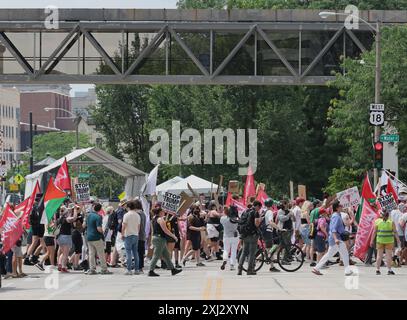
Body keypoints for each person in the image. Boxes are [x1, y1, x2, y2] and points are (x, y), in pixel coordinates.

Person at [312, 200, 353, 276]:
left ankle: (316, 268)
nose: (342, 207)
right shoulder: (336, 216)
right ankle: (347, 270)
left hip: (337, 239)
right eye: (340, 206)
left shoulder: (337, 215)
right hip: (337, 239)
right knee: (342, 254)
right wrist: (335, 239)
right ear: (337, 208)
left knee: (338, 254)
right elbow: (333, 229)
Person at [148, 207, 183, 277]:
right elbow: (165, 230)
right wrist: (174, 236)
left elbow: (153, 230)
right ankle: (150, 270)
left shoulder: (154, 219)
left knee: (166, 255)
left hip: (156, 237)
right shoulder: (160, 219)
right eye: (163, 211)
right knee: (156, 255)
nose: (164, 212)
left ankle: (173, 269)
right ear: (160, 212)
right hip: (160, 239)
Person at [371, 209, 401, 275]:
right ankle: (389, 270)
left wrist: (371, 240)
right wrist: (398, 240)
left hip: (380, 241)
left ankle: (377, 270)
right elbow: (395, 232)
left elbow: (374, 232)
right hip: (389, 241)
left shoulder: (377, 221)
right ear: (388, 215)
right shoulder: (391, 222)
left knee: (379, 255)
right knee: (388, 256)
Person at [84, 203, 112, 275]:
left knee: (91, 253)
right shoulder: (98, 217)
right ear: (100, 209)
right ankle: (104, 269)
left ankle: (92, 269)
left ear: (93, 208)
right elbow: (99, 228)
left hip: (89, 237)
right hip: (96, 237)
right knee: (101, 253)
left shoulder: (88, 215)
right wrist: (103, 233)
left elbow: (84, 225)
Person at [237, 200, 262, 276]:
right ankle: (249, 270)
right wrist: (260, 219)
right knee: (251, 253)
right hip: (252, 235)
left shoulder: (245, 211)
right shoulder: (255, 212)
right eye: (259, 207)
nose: (259, 209)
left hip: (244, 234)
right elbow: (256, 224)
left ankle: (240, 269)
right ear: (257, 206)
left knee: (244, 252)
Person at [121, 200, 141, 275]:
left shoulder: (126, 215)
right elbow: (138, 226)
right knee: (135, 253)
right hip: (135, 234)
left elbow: (124, 226)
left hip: (128, 235)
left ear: (128, 207)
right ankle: (137, 269)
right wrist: (137, 233)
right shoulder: (137, 215)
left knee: (128, 252)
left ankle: (129, 269)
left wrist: (122, 234)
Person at [56, 205, 77, 273]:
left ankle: (59, 264)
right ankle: (63, 267)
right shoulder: (66, 219)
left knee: (63, 252)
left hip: (59, 237)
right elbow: (74, 218)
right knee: (66, 254)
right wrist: (75, 210)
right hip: (66, 237)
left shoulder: (59, 219)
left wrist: (70, 211)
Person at [220, 205, 239, 271]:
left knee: (226, 250)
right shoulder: (236, 219)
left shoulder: (223, 218)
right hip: (235, 236)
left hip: (226, 236)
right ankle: (232, 265)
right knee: (234, 251)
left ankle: (225, 259)